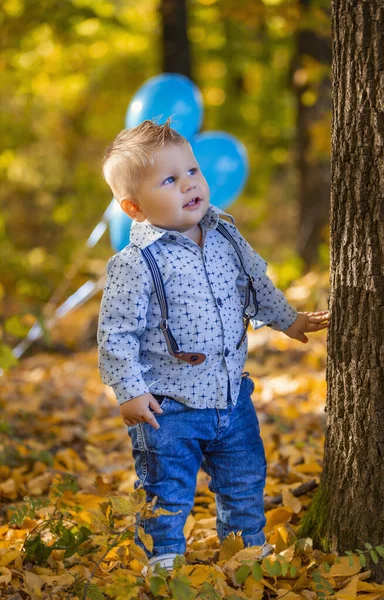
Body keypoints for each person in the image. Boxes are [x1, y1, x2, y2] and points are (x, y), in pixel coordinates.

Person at [98, 119, 329, 570]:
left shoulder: (224, 235)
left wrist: (289, 320)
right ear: (134, 207)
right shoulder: (136, 263)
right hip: (168, 406)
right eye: (169, 180)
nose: (189, 184)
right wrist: (129, 391)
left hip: (231, 397)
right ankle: (163, 558)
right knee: (166, 488)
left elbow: (255, 286)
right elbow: (116, 334)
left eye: (191, 171)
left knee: (244, 478)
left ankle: (245, 549)